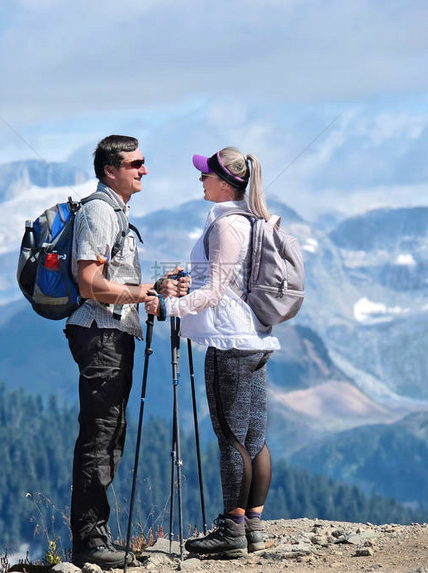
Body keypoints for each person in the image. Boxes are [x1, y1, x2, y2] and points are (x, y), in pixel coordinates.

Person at [146, 146, 280, 558]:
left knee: (229, 436)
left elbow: (215, 291)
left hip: (229, 340)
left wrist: (170, 307)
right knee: (254, 437)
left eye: (206, 175)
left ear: (225, 184)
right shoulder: (254, 221)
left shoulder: (226, 226)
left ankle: (231, 529)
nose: (200, 180)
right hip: (256, 337)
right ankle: (253, 526)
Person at [66, 135, 188, 569]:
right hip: (100, 335)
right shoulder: (100, 212)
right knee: (100, 436)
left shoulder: (117, 212)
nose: (144, 169)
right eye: (135, 163)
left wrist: (153, 291)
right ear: (109, 171)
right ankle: (88, 542)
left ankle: (95, 538)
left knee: (110, 434)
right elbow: (89, 284)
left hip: (110, 335)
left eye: (143, 161)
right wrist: (144, 292)